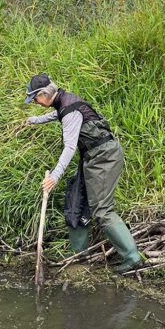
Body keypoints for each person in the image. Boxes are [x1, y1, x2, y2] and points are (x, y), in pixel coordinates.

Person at [24, 73, 143, 274]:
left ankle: (132, 258)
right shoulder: (65, 100)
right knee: (76, 200)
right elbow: (59, 114)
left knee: (102, 210)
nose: (34, 102)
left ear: (45, 94)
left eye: (35, 98)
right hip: (93, 156)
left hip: (104, 157)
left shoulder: (69, 111)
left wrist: (54, 176)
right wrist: (36, 120)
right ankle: (80, 256)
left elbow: (69, 147)